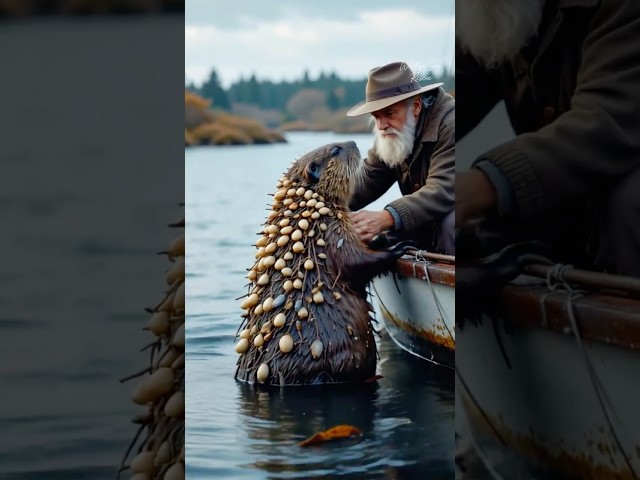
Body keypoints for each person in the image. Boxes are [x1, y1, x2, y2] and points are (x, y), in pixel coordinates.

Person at [456, 0, 640, 276]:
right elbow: (456, 102)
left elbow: (608, 118)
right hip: (566, 199)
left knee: (627, 203)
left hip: (617, 199)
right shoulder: (490, 10)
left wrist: (483, 185)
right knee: (469, 237)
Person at [345, 61, 455, 255]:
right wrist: (320, 202)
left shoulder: (451, 126)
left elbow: (443, 189)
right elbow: (368, 177)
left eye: (389, 113)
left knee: (451, 224)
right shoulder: (394, 133)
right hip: (428, 225)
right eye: (376, 116)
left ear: (416, 106)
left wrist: (388, 217)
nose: (381, 125)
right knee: (376, 241)